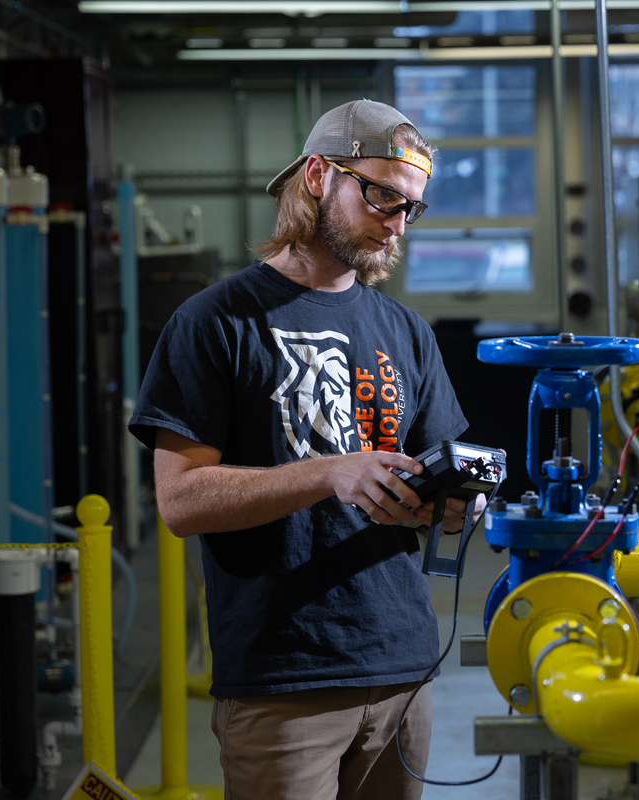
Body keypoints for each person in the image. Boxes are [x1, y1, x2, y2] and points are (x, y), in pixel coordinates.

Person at [129, 98, 481, 800]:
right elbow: (180, 501)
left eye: (412, 207)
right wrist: (330, 472)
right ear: (319, 175)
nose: (397, 222)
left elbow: (445, 479)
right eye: (382, 194)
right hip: (283, 679)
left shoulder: (406, 332)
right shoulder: (214, 323)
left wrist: (453, 510)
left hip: (402, 670)